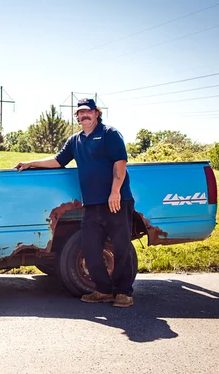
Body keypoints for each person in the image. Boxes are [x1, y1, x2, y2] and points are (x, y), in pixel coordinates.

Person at [14, 98, 135, 308]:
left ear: (97, 113)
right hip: (91, 204)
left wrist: (115, 191)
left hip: (115, 201)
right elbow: (58, 160)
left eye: (87, 111)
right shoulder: (75, 141)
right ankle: (104, 290)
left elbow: (120, 163)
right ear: (77, 117)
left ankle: (123, 292)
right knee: (89, 247)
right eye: (79, 113)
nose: (84, 115)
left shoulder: (110, 134)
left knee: (121, 246)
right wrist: (30, 163)